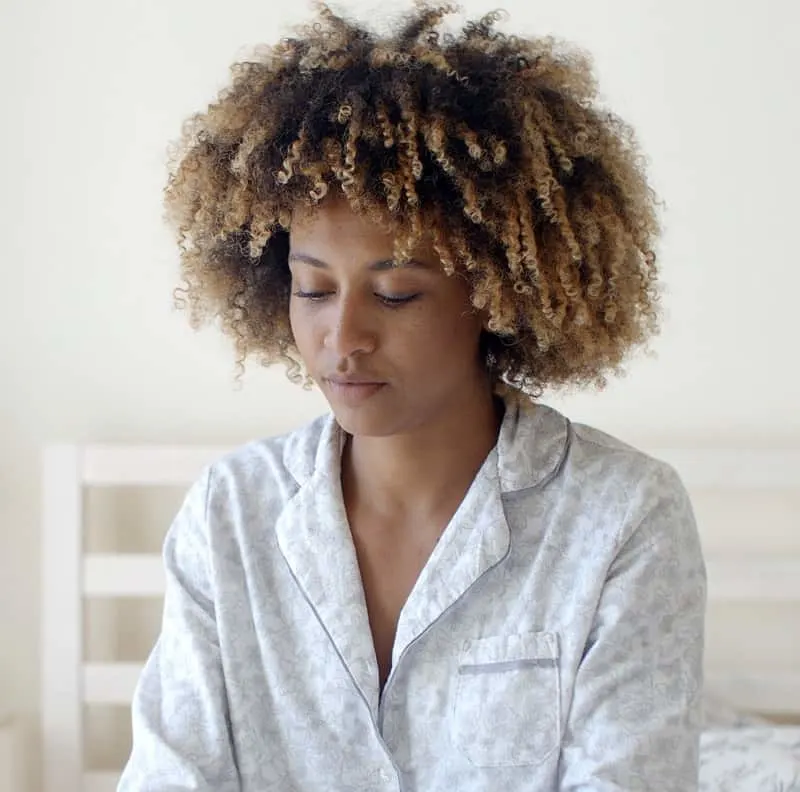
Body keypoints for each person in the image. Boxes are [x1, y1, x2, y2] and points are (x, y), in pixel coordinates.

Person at [118, 2, 706, 790]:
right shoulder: (232, 515)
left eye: (396, 294)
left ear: (499, 295)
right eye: (312, 289)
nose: (344, 335)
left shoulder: (622, 518)